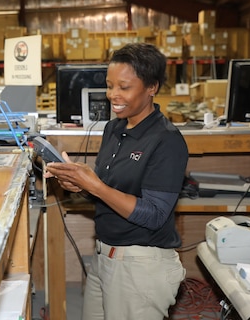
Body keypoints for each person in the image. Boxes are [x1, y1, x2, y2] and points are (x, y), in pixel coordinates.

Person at [43, 43, 188, 320]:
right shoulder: (114, 128)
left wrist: (95, 185)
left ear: (151, 87)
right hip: (104, 258)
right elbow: (110, 192)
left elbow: (155, 214)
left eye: (124, 87)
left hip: (140, 267)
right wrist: (78, 184)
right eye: (110, 86)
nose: (113, 95)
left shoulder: (166, 140)